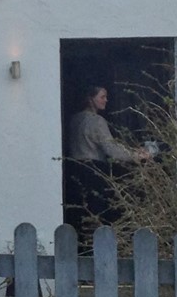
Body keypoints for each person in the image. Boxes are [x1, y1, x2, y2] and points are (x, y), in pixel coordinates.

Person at [65, 85, 156, 225]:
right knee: (96, 213)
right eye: (102, 97)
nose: (106, 100)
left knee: (79, 212)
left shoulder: (73, 120)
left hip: (73, 170)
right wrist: (137, 155)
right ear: (91, 99)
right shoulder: (97, 121)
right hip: (93, 172)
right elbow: (111, 149)